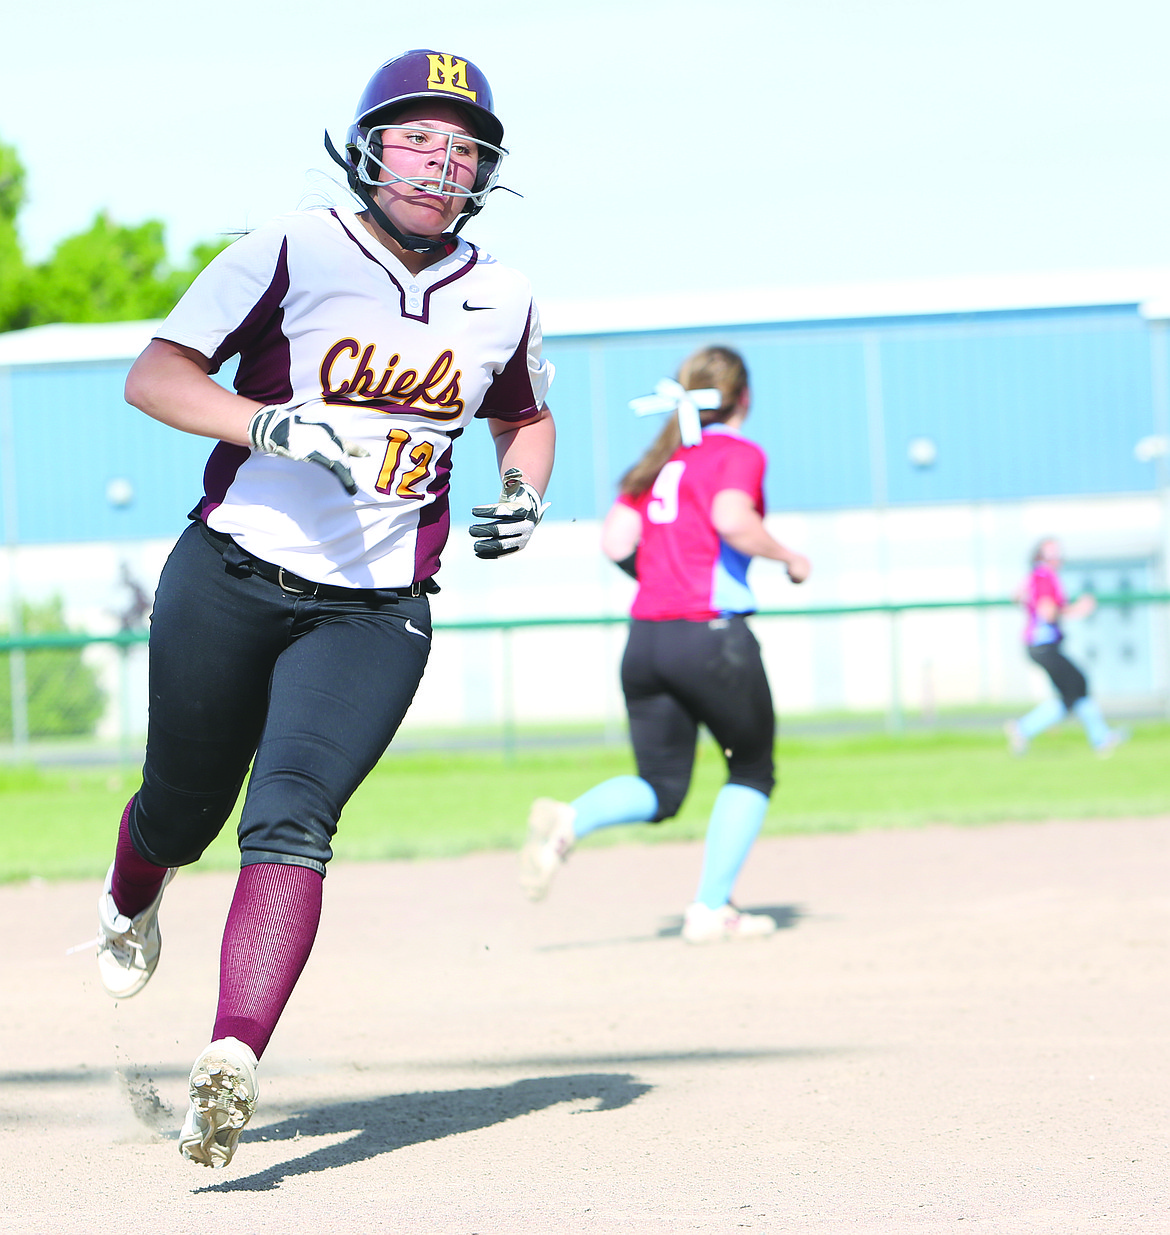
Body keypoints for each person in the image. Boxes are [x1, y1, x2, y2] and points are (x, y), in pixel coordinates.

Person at [92, 49, 554, 1169]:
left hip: (377, 605)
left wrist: (525, 496)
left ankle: (230, 1059)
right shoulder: (290, 246)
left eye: (462, 147)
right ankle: (130, 895)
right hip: (235, 568)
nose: (437, 162)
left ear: (485, 169)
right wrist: (267, 424)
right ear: (367, 145)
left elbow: (523, 418)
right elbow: (153, 376)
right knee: (183, 807)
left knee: (293, 816)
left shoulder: (504, 291)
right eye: (415, 138)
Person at [519, 345, 809, 943]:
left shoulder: (660, 460)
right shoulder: (736, 453)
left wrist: (661, 582)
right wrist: (789, 556)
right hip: (711, 636)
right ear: (743, 396)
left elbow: (615, 543)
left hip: (647, 639)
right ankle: (709, 909)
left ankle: (570, 820)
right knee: (752, 770)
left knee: (661, 786)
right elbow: (732, 519)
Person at [1004, 538, 1125, 756]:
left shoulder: (1036, 576)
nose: (1058, 559)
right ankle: (1025, 728)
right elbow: (1047, 611)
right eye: (1052, 555)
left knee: (1073, 691)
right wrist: (1078, 609)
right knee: (1076, 686)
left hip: (1041, 646)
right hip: (1043, 646)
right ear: (1040, 557)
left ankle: (1099, 737)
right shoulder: (1044, 577)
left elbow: (1016, 596)